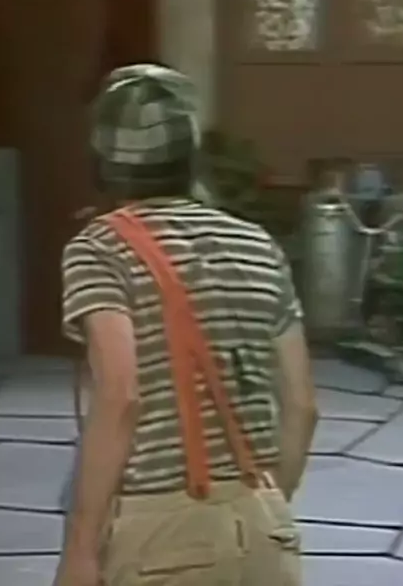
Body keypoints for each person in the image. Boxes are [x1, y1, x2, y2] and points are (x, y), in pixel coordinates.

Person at [55, 64, 318, 586]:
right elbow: (303, 406)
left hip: (160, 535)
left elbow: (120, 395)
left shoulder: (101, 248)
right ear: (192, 157)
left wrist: (81, 549)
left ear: (103, 162)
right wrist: (263, 509)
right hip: (262, 524)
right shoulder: (257, 244)